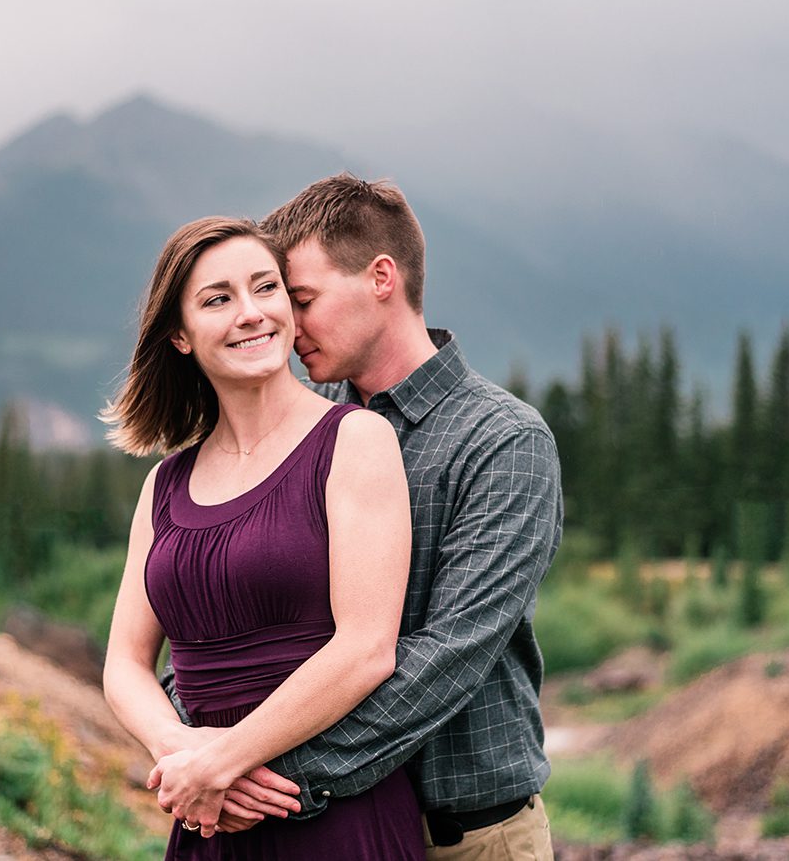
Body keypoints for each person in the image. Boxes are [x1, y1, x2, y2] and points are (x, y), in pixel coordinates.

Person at [191, 174, 565, 860]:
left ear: (381, 277)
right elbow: (245, 617)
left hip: (468, 838)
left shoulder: (504, 441)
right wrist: (193, 740)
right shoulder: (304, 430)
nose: (286, 325)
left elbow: (449, 655)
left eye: (300, 299)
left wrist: (273, 778)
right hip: (323, 833)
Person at [101, 216, 427, 859]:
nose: (251, 314)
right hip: (210, 819)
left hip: (337, 821)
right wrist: (182, 756)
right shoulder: (164, 485)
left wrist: (224, 761)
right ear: (180, 335)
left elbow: (367, 649)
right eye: (218, 299)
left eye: (266, 288)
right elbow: (124, 665)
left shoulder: (355, 440)